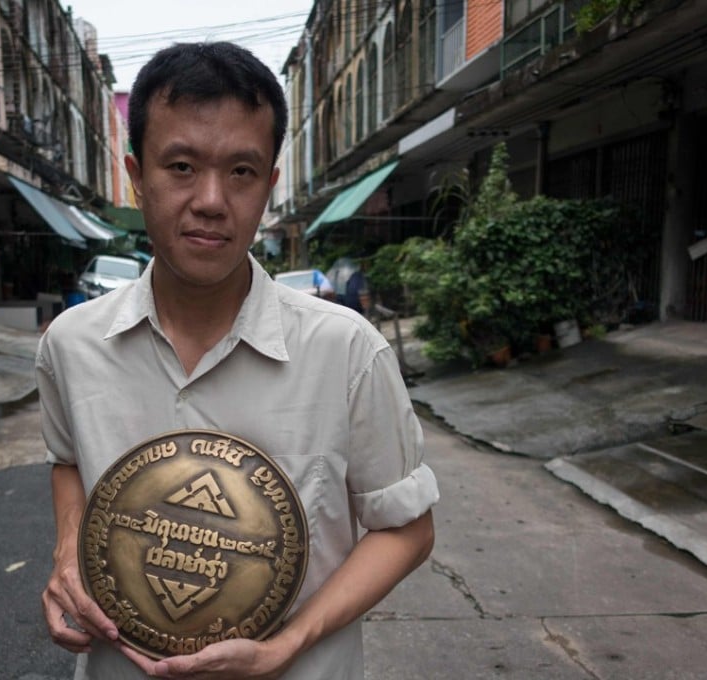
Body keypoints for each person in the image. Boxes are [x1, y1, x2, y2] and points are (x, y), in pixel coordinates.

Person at [36, 41, 439, 680]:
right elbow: (69, 460)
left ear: (269, 186)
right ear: (137, 177)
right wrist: (67, 549)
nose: (212, 200)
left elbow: (408, 530)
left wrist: (288, 644)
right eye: (182, 167)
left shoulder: (348, 351)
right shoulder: (71, 344)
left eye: (242, 172)